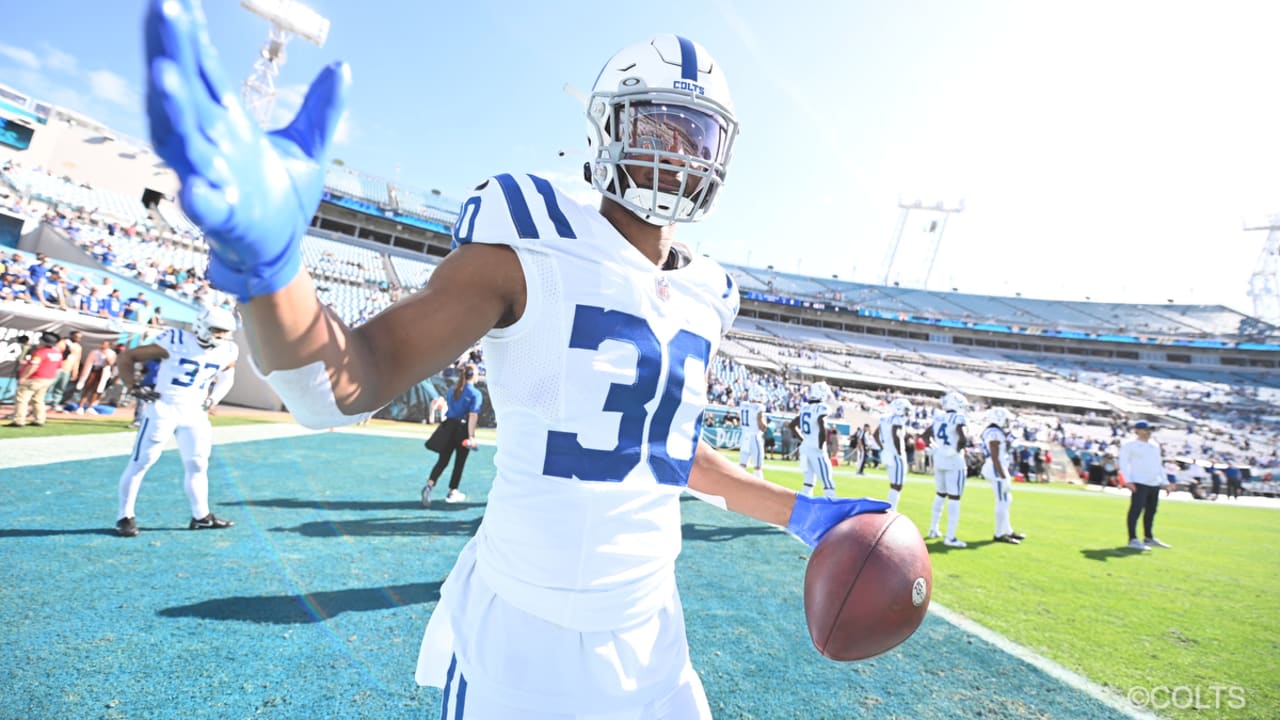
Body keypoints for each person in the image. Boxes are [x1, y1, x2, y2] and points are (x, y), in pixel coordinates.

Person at [145, 13, 891, 717]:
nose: (676, 149)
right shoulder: (529, 239)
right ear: (606, 128)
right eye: (655, 123)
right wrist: (274, 270)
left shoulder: (710, 292)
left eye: (696, 135)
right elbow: (342, 384)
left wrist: (797, 511)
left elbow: (665, 451)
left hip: (654, 630)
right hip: (526, 632)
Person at [113, 306, 239, 538]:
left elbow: (228, 375)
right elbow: (127, 357)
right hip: (165, 408)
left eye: (225, 331)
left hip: (195, 412)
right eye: (217, 330)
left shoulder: (229, 349)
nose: (221, 336)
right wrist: (133, 387)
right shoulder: (176, 339)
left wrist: (213, 398)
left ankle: (201, 516)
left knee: (198, 465)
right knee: (142, 461)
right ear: (201, 325)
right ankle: (125, 516)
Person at [421, 364, 483, 506]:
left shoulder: (452, 390)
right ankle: (452, 491)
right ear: (473, 375)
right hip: (462, 429)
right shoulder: (475, 393)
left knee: (443, 461)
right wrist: (471, 436)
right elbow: (473, 416)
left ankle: (429, 485)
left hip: (448, 427)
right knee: (459, 463)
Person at [1118, 420, 1172, 550]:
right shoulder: (1130, 445)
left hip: (1153, 482)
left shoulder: (1154, 445)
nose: (1148, 432)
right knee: (1136, 510)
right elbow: (1124, 463)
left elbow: (1158, 465)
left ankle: (1149, 537)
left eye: (1150, 430)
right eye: (1145, 429)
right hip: (1139, 482)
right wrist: (1127, 480)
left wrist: (1165, 482)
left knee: (1151, 511)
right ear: (1137, 430)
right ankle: (1132, 539)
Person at [924, 391, 969, 548]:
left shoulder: (938, 417)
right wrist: (955, 450)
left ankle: (933, 528)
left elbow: (925, 435)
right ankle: (950, 537)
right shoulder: (958, 418)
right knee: (954, 497)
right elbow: (963, 438)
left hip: (939, 458)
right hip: (954, 461)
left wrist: (934, 447)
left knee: (940, 494)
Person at [981, 407, 1026, 544]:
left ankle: (1008, 530)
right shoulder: (994, 432)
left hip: (997, 466)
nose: (1007, 423)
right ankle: (999, 534)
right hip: (996, 468)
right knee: (1002, 501)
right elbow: (995, 456)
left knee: (1007, 500)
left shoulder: (995, 431)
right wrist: (1003, 476)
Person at [790, 382, 836, 498]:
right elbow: (821, 427)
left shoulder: (806, 407)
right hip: (816, 449)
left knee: (808, 482)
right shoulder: (821, 408)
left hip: (805, 448)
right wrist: (821, 446)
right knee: (828, 483)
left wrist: (804, 440)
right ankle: (831, 509)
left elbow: (792, 425)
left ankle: (804, 508)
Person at [7, 331, 62, 427]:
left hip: (35, 378)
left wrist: (23, 377)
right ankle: (39, 419)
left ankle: (19, 420)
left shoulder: (40, 352)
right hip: (47, 379)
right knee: (38, 399)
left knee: (22, 399)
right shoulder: (57, 353)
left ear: (43, 343)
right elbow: (57, 367)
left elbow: (34, 366)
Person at [878, 397, 913, 510]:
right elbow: (895, 435)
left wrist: (884, 447)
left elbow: (875, 434)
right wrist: (898, 451)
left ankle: (890, 508)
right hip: (895, 455)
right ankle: (892, 510)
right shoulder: (897, 420)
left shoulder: (885, 418)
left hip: (887, 453)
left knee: (893, 484)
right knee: (897, 485)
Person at [73, 339, 117, 414]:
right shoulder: (95, 352)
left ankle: (90, 406)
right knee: (87, 388)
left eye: (105, 344)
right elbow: (88, 362)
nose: (102, 345)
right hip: (93, 370)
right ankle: (80, 406)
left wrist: (106, 356)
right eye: (102, 344)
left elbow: (110, 363)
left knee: (97, 390)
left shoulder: (111, 353)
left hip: (102, 371)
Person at [737, 385, 767, 479]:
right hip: (754, 438)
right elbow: (762, 426)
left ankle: (735, 485)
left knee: (742, 465)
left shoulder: (743, 405)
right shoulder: (759, 407)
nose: (762, 397)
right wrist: (766, 424)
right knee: (758, 467)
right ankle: (759, 490)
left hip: (744, 436)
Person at [47, 330, 82, 407]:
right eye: (76, 337)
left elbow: (77, 360)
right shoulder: (63, 343)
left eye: (80, 337)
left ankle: (55, 403)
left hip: (67, 369)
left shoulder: (78, 347)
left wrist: (75, 371)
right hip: (58, 368)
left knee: (61, 387)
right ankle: (45, 401)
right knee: (50, 385)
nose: (78, 339)